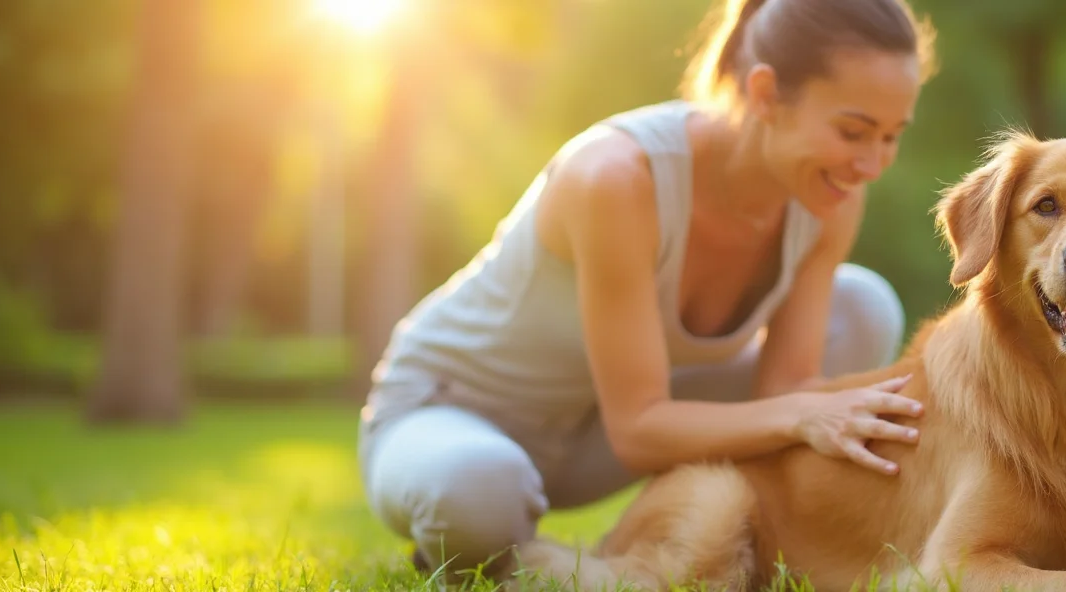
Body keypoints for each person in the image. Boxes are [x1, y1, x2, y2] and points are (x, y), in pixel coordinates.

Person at [356, 0, 940, 577]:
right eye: (853, 131)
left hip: (589, 445)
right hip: (452, 411)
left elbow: (786, 390)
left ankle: (760, 540)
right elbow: (639, 428)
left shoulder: (829, 198)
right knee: (480, 491)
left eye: (891, 137)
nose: (872, 164)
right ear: (764, 94)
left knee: (861, 307)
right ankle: (480, 537)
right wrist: (805, 411)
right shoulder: (616, 178)